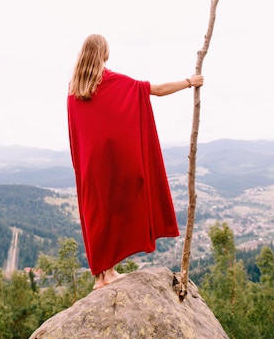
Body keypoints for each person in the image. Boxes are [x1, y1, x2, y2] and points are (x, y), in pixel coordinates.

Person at [67, 33, 204, 290]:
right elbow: (157, 90)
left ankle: (102, 275)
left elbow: (76, 135)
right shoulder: (113, 81)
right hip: (112, 164)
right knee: (114, 211)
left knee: (97, 215)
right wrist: (189, 82)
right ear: (103, 53)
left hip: (88, 166)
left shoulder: (74, 91)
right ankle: (106, 273)